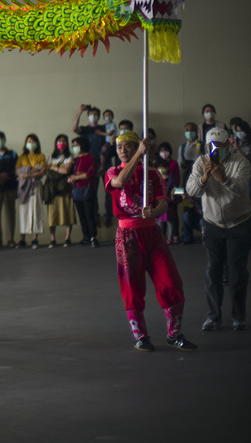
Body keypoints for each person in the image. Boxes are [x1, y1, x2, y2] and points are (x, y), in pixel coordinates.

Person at [105, 131, 196, 352]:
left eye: (128, 146)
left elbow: (164, 202)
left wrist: (154, 211)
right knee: (131, 285)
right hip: (127, 237)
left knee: (170, 281)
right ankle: (140, 336)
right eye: (120, 147)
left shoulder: (152, 173)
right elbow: (121, 182)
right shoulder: (112, 171)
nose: (123, 150)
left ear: (136, 146)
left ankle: (174, 334)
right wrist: (138, 155)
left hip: (153, 234)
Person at [185, 127, 251, 332]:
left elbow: (241, 188)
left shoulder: (241, 162)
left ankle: (238, 317)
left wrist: (223, 178)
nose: (215, 150)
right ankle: (213, 317)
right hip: (212, 224)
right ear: (206, 146)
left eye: (220, 146)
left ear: (228, 145)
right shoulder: (200, 162)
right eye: (211, 146)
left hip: (239, 222)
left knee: (237, 273)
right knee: (213, 271)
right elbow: (190, 190)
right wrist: (204, 178)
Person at [15, 133, 47, 249]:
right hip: (24, 187)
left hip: (36, 186)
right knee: (23, 211)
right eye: (29, 142)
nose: (31, 144)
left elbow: (42, 171)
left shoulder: (41, 156)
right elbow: (18, 172)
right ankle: (22, 239)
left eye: (33, 142)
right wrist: (33, 171)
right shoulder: (22, 157)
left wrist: (26, 173)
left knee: (36, 209)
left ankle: (35, 239)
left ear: (37, 143)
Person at [45, 134, 75, 248]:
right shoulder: (51, 157)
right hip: (52, 189)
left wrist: (54, 168)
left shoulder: (70, 156)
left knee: (67, 210)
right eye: (59, 141)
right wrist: (58, 169)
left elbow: (66, 170)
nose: (61, 143)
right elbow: (47, 170)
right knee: (52, 213)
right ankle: (53, 239)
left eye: (63, 141)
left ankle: (67, 238)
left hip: (65, 188)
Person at [69, 136, 98, 247]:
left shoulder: (91, 158)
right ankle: (86, 236)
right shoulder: (75, 160)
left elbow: (90, 173)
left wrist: (76, 178)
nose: (74, 148)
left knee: (89, 215)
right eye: (73, 146)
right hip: (76, 190)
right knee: (81, 216)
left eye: (76, 145)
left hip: (87, 189)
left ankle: (93, 237)